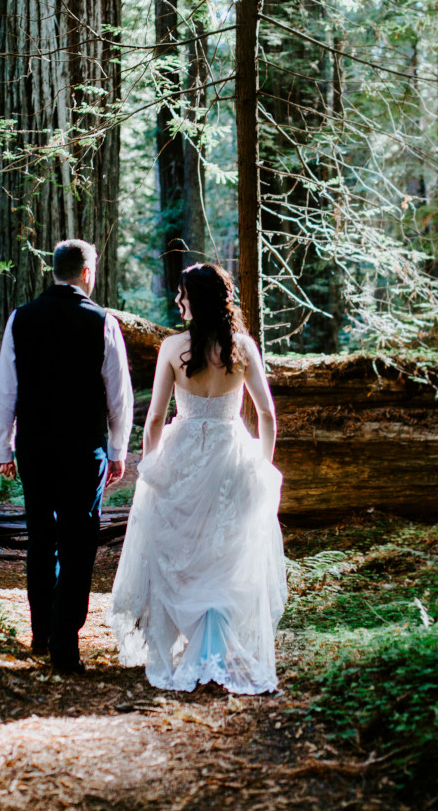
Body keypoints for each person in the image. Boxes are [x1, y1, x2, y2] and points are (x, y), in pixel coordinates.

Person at [109, 263, 286, 694]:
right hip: (231, 454)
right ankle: (214, 646)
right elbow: (266, 415)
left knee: (179, 552)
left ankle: (182, 647)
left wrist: (151, 466)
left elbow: (153, 419)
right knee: (223, 555)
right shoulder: (242, 347)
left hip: (183, 453)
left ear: (197, 299)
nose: (177, 301)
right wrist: (262, 465)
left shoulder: (173, 348)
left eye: (182, 294)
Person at [0, 239, 132, 676]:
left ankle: (41, 633)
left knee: (41, 535)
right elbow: (119, 396)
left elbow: (5, 392)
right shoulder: (103, 322)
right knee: (79, 541)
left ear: (54, 272)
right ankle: (65, 645)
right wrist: (117, 451)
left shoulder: (20, 319)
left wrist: (3, 448)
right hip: (83, 448)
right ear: (87, 273)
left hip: (34, 445)